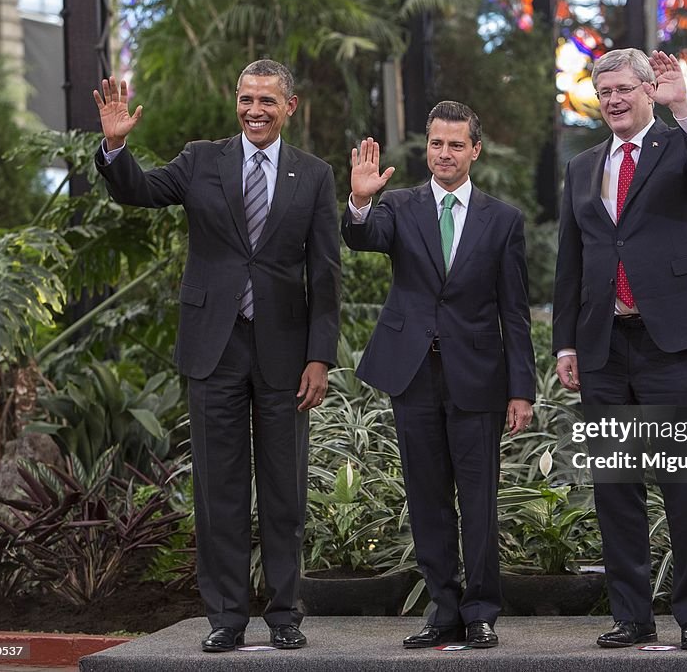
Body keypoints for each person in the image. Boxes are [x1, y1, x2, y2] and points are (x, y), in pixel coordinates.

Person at [92, 60, 340, 653]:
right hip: (214, 349)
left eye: (267, 102)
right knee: (218, 491)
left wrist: (320, 358)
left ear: (291, 106)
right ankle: (226, 618)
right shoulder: (201, 159)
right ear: (237, 101)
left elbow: (325, 275)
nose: (255, 110)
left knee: (284, 492)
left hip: (286, 355)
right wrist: (114, 145)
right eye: (246, 99)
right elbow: (139, 191)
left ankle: (284, 614)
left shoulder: (314, 175)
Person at [552, 48, 687, 651]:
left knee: (682, 483)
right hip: (604, 344)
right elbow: (570, 264)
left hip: (673, 340)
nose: (613, 100)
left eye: (625, 89)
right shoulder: (582, 167)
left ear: (648, 91)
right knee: (615, 486)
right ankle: (632, 616)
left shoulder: (679, 144)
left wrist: (683, 103)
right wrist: (565, 346)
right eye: (603, 92)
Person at [342, 101, 535, 649]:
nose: (444, 154)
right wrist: (359, 199)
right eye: (435, 143)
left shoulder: (503, 220)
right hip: (413, 376)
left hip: (478, 377)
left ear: (475, 150)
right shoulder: (398, 205)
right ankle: (443, 608)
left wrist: (521, 390)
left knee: (478, 499)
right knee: (426, 496)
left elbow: (514, 313)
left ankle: (480, 611)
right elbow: (362, 237)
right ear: (426, 147)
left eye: (455, 145)